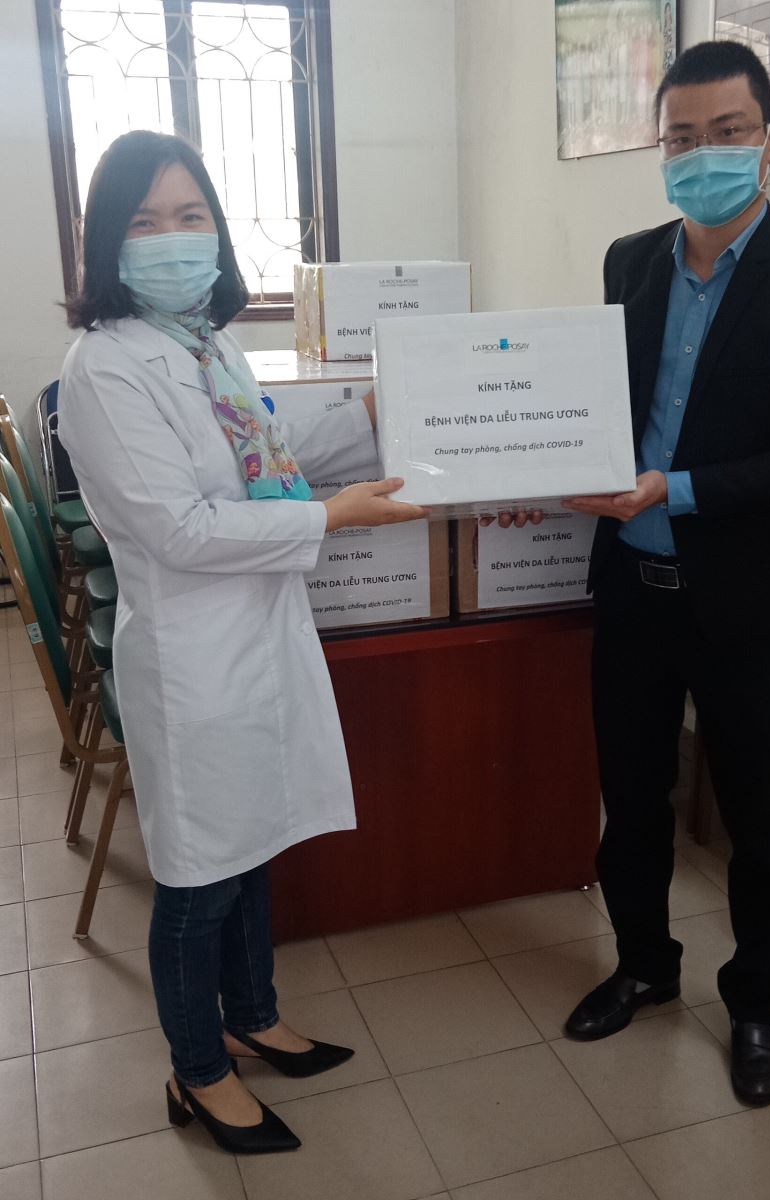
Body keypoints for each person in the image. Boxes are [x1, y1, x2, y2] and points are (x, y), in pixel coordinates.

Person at [58, 130, 427, 1154]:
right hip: (192, 660)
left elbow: (268, 453)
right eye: (145, 221)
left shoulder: (205, 343)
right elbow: (178, 529)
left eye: (191, 216)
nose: (173, 238)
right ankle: (198, 1069)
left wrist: (372, 410)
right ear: (107, 241)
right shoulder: (104, 368)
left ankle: (254, 1015)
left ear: (217, 230)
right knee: (198, 878)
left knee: (252, 843)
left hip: (259, 636)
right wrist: (331, 517)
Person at [561, 41, 770, 1105]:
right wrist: (544, 465)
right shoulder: (630, 262)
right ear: (661, 149)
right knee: (631, 801)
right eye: (682, 138)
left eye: (727, 132)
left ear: (769, 138)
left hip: (741, 601)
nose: (704, 155)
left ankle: (755, 1005)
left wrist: (677, 487)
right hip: (630, 591)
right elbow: (597, 408)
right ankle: (645, 965)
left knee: (755, 818)